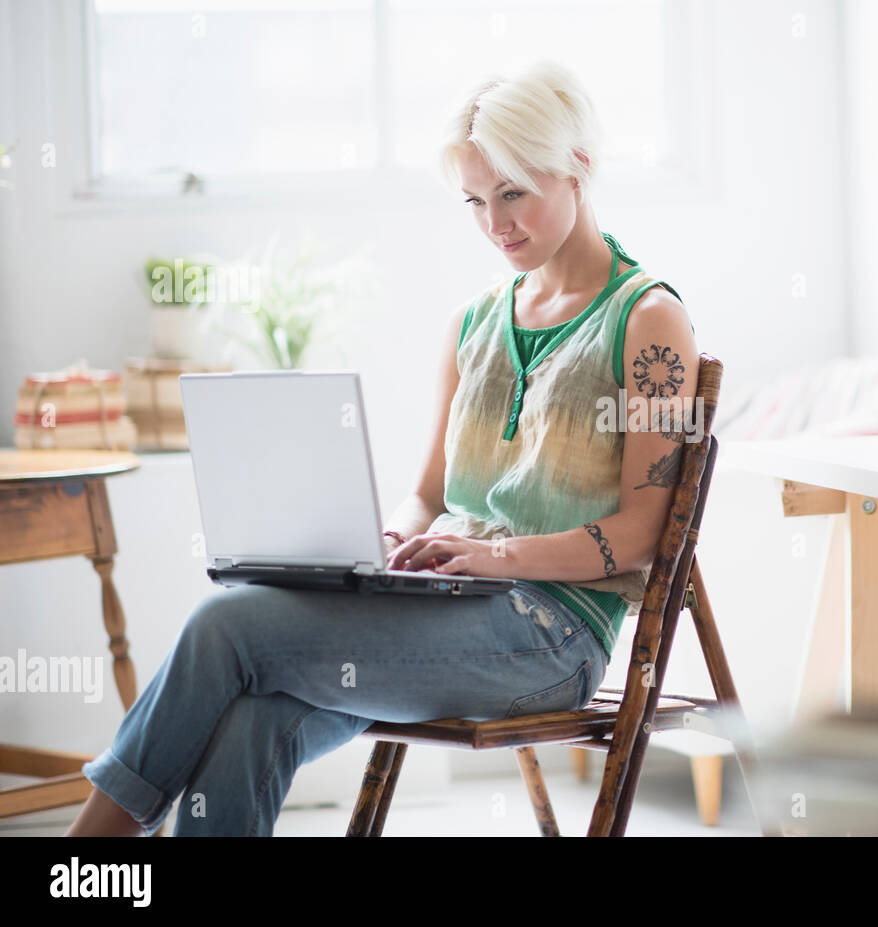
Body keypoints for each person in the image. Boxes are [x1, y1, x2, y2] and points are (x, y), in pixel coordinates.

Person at [65, 60, 699, 836]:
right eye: (474, 200)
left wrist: (496, 559)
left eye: (512, 194)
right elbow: (430, 492)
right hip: (449, 607)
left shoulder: (647, 320)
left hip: (549, 638)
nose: (495, 223)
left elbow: (642, 535)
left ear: (580, 169)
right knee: (253, 722)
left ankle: (84, 862)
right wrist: (393, 538)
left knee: (224, 627)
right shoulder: (474, 324)